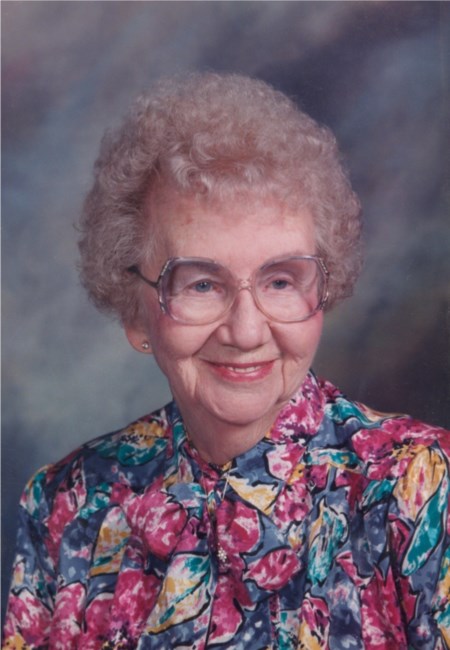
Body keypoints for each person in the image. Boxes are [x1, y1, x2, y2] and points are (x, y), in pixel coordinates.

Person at [2, 72, 449, 650]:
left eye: (280, 280)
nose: (245, 330)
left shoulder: (422, 489)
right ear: (136, 312)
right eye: (201, 284)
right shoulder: (66, 504)